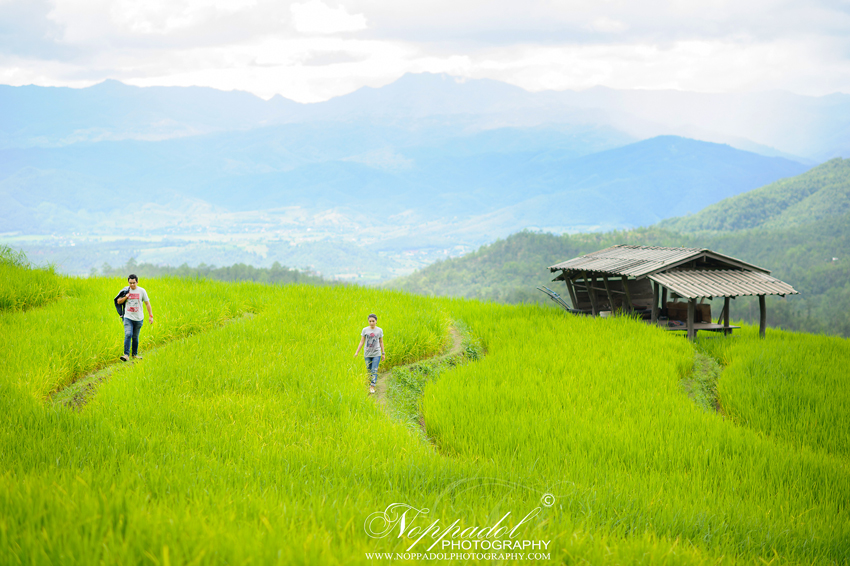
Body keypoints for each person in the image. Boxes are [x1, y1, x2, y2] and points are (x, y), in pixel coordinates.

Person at [116, 274, 153, 361]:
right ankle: (126, 355)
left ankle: (134, 355)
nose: (132, 285)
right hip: (128, 317)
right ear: (128, 282)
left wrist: (150, 316)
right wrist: (126, 297)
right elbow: (118, 301)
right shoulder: (125, 290)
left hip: (139, 318)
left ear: (137, 282)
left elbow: (147, 303)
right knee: (128, 334)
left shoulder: (142, 291)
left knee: (135, 337)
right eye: (130, 283)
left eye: (133, 283)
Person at [353, 314, 386, 394]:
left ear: (376, 321)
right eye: (370, 321)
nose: (371, 323)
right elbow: (362, 341)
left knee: (374, 370)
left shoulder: (379, 330)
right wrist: (357, 352)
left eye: (373, 321)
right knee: (369, 370)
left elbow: (381, 342)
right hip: (367, 354)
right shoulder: (365, 330)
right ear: (368, 321)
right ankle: (370, 382)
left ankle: (372, 386)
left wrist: (383, 353)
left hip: (376, 353)